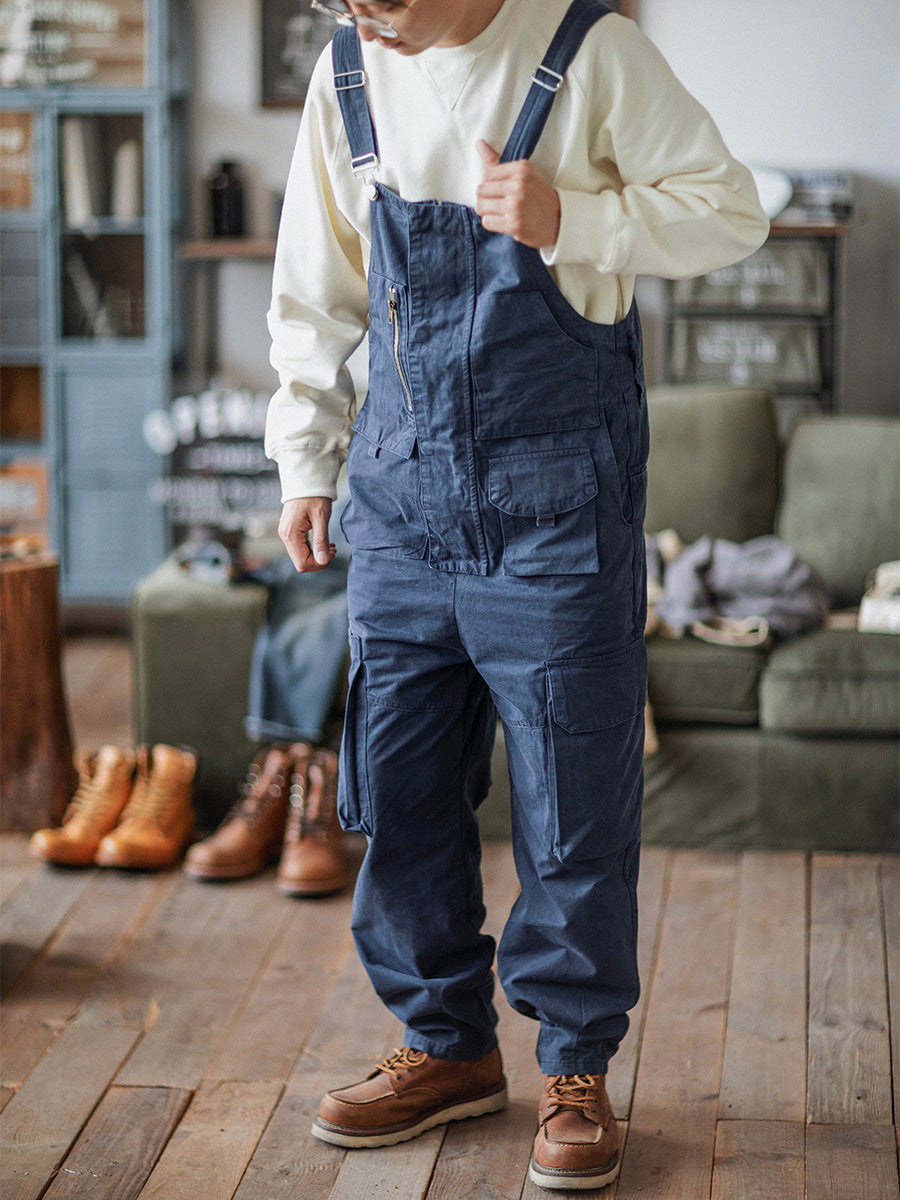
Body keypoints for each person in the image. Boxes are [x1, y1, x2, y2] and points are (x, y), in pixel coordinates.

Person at [266, 0, 768, 1188]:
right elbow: (312, 289)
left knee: (573, 804)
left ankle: (575, 1070)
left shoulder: (588, 52)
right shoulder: (347, 73)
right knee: (399, 786)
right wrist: (305, 459)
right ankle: (445, 1046)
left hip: (558, 512)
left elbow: (734, 210)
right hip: (396, 504)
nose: (359, 19)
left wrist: (573, 217)